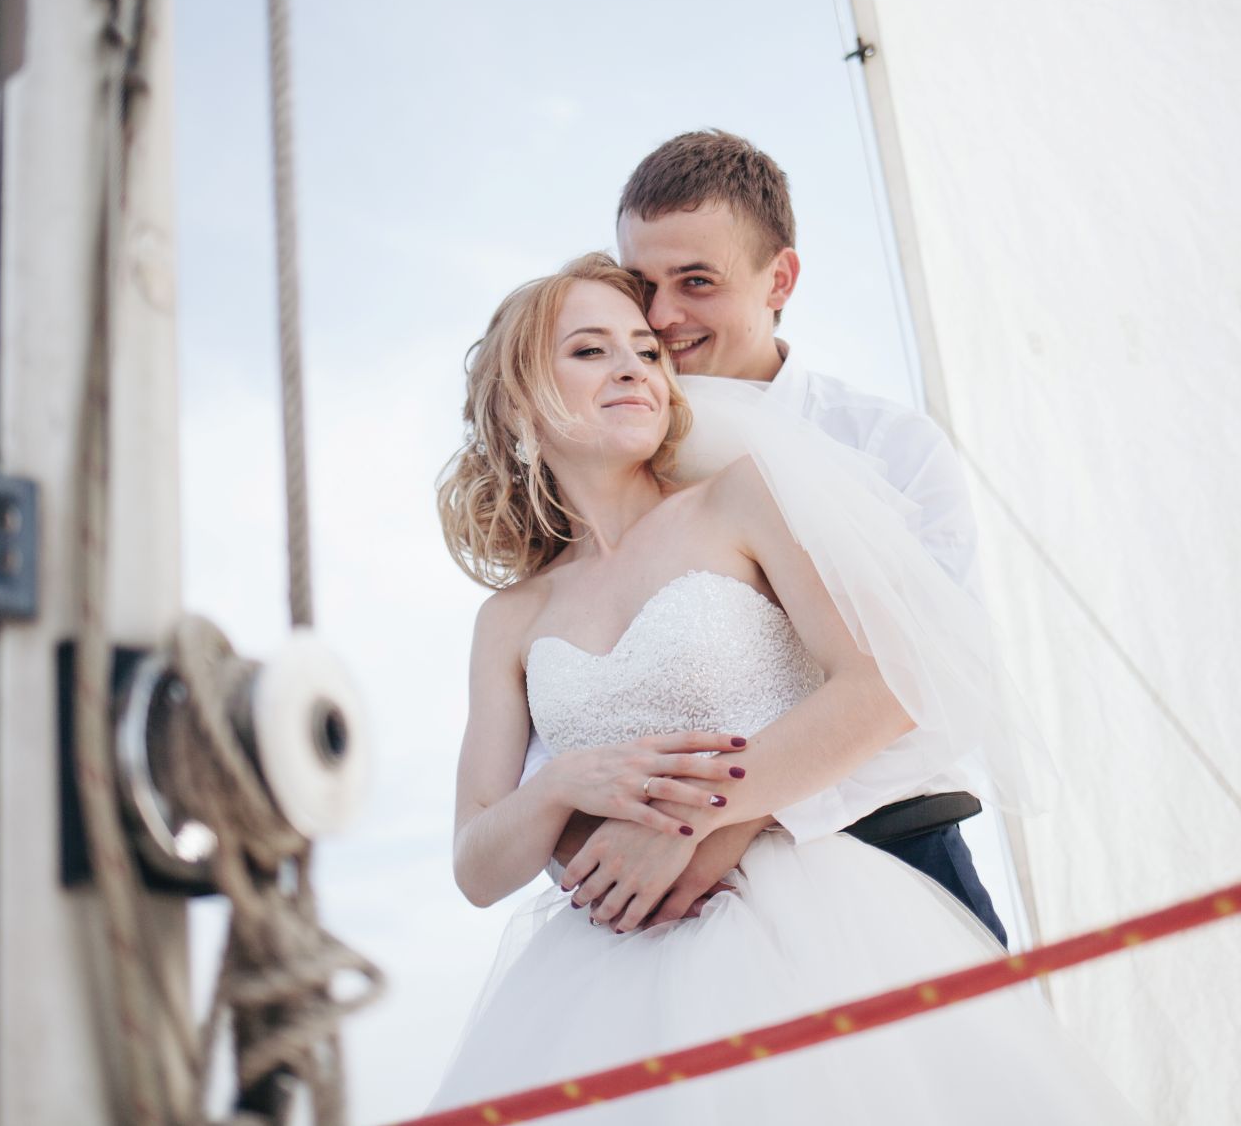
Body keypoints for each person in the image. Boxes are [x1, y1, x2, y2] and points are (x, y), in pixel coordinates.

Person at [425, 255, 1136, 1120]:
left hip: (812, 923)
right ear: (521, 401)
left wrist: (696, 821)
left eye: (646, 351)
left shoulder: (740, 497)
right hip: (600, 978)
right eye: (589, 349)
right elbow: (476, 862)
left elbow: (889, 682)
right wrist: (569, 782)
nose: (632, 367)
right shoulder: (510, 618)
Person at [519, 129, 1008, 942]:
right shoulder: (607, 462)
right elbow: (560, 689)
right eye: (642, 284)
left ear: (778, 278)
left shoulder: (888, 448)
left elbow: (937, 676)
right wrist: (585, 847)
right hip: (660, 916)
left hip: (895, 865)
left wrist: (723, 824)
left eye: (697, 282)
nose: (665, 315)